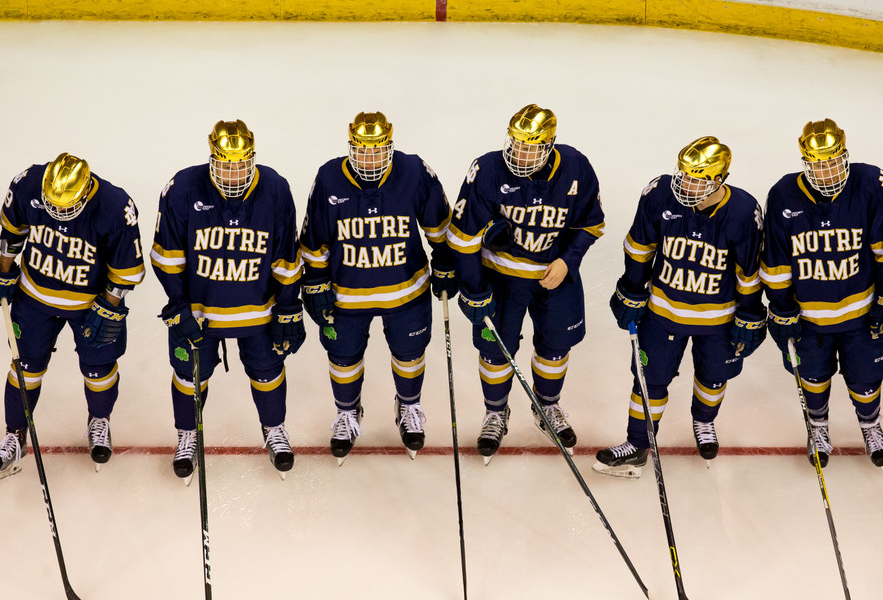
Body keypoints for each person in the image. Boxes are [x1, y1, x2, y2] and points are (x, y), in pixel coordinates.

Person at [594, 137, 765, 477]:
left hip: (718, 319)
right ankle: (637, 444)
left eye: (697, 179)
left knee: (713, 378)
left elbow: (748, 272)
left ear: (720, 179)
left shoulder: (744, 211)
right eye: (684, 175)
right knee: (649, 379)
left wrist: (749, 313)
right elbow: (640, 247)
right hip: (663, 312)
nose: (685, 184)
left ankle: (704, 423)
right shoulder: (659, 194)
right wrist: (631, 288)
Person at [447, 104, 605, 464]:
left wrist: (568, 260)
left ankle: (547, 406)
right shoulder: (487, 169)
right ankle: (495, 413)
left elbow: (590, 223)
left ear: (550, 144)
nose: (521, 154)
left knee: (556, 346)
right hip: (501, 279)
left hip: (555, 277)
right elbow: (462, 236)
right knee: (495, 351)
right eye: (517, 144)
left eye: (532, 146)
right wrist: (474, 288)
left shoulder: (576, 167)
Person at [150, 120, 304, 482]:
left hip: (259, 311)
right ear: (212, 160)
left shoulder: (275, 189)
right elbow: (167, 257)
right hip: (201, 313)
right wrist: (178, 307)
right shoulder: (183, 188)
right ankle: (187, 435)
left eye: (240, 164)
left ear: (252, 159)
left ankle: (274, 430)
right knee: (189, 377)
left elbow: (286, 255)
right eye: (225, 164)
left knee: (268, 372)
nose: (233, 173)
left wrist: (287, 306)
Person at [299, 111, 455, 464]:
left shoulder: (414, 172)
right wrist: (315, 280)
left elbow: (440, 226)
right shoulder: (328, 178)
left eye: (378, 150)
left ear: (389, 147)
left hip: (406, 292)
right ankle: (347, 412)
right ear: (351, 148)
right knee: (343, 358)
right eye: (362, 151)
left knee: (409, 354)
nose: (370, 159)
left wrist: (445, 260)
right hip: (346, 295)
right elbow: (313, 239)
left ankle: (409, 406)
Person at [761, 119, 883, 468]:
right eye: (817, 164)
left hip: (861, 315)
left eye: (832, 161)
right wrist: (781, 308)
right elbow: (776, 262)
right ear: (805, 162)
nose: (826, 171)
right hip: (809, 319)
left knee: (866, 378)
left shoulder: (872, 185)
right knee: (812, 377)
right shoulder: (783, 195)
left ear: (844, 156)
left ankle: (871, 426)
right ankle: (818, 428)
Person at [0, 153, 145, 479]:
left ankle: (99, 421)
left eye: (65, 206)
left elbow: (124, 271)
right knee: (26, 367)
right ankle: (14, 435)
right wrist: (4, 274)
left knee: (99, 370)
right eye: (51, 204)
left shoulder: (115, 206)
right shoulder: (28, 184)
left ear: (85, 192)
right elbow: (11, 235)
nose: (56, 212)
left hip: (88, 304)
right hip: (34, 298)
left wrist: (109, 306)